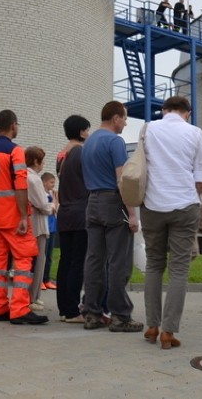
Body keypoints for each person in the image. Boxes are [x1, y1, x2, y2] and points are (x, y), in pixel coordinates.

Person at [140, 96, 202, 349]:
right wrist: (191, 194)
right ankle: (168, 332)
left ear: (164, 110)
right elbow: (201, 177)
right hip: (184, 205)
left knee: (154, 264)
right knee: (179, 268)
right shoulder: (195, 133)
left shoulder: (148, 128)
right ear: (187, 113)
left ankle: (151, 325)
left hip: (151, 205)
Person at [0, 109, 47, 325]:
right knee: (24, 260)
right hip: (14, 218)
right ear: (13, 125)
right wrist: (23, 217)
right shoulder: (16, 151)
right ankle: (19, 309)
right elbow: (20, 184)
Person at [81, 101, 142, 333]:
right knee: (119, 261)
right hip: (113, 203)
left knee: (94, 259)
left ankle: (92, 313)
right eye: (124, 118)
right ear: (115, 118)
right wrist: (132, 214)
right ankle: (120, 315)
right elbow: (121, 180)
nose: (126, 123)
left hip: (92, 202)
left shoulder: (88, 143)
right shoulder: (115, 142)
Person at [55, 115, 91, 323]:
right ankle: (72, 311)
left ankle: (64, 308)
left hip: (65, 213)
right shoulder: (81, 152)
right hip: (80, 212)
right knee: (78, 262)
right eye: (86, 129)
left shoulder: (62, 155)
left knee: (65, 261)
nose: (88, 132)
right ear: (80, 132)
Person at [25, 147, 56, 311]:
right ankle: (33, 296)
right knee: (39, 261)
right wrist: (53, 206)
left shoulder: (26, 176)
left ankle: (33, 295)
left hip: (33, 222)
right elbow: (43, 205)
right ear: (36, 161)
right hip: (38, 223)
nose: (43, 163)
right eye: (42, 160)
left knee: (36, 260)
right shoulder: (34, 179)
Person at [40, 172, 58, 290]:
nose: (53, 185)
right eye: (51, 182)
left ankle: (46, 279)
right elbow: (49, 208)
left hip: (52, 227)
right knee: (43, 254)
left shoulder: (52, 194)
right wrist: (54, 204)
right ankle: (40, 279)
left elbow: (55, 209)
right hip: (44, 227)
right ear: (45, 182)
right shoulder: (42, 195)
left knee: (50, 255)